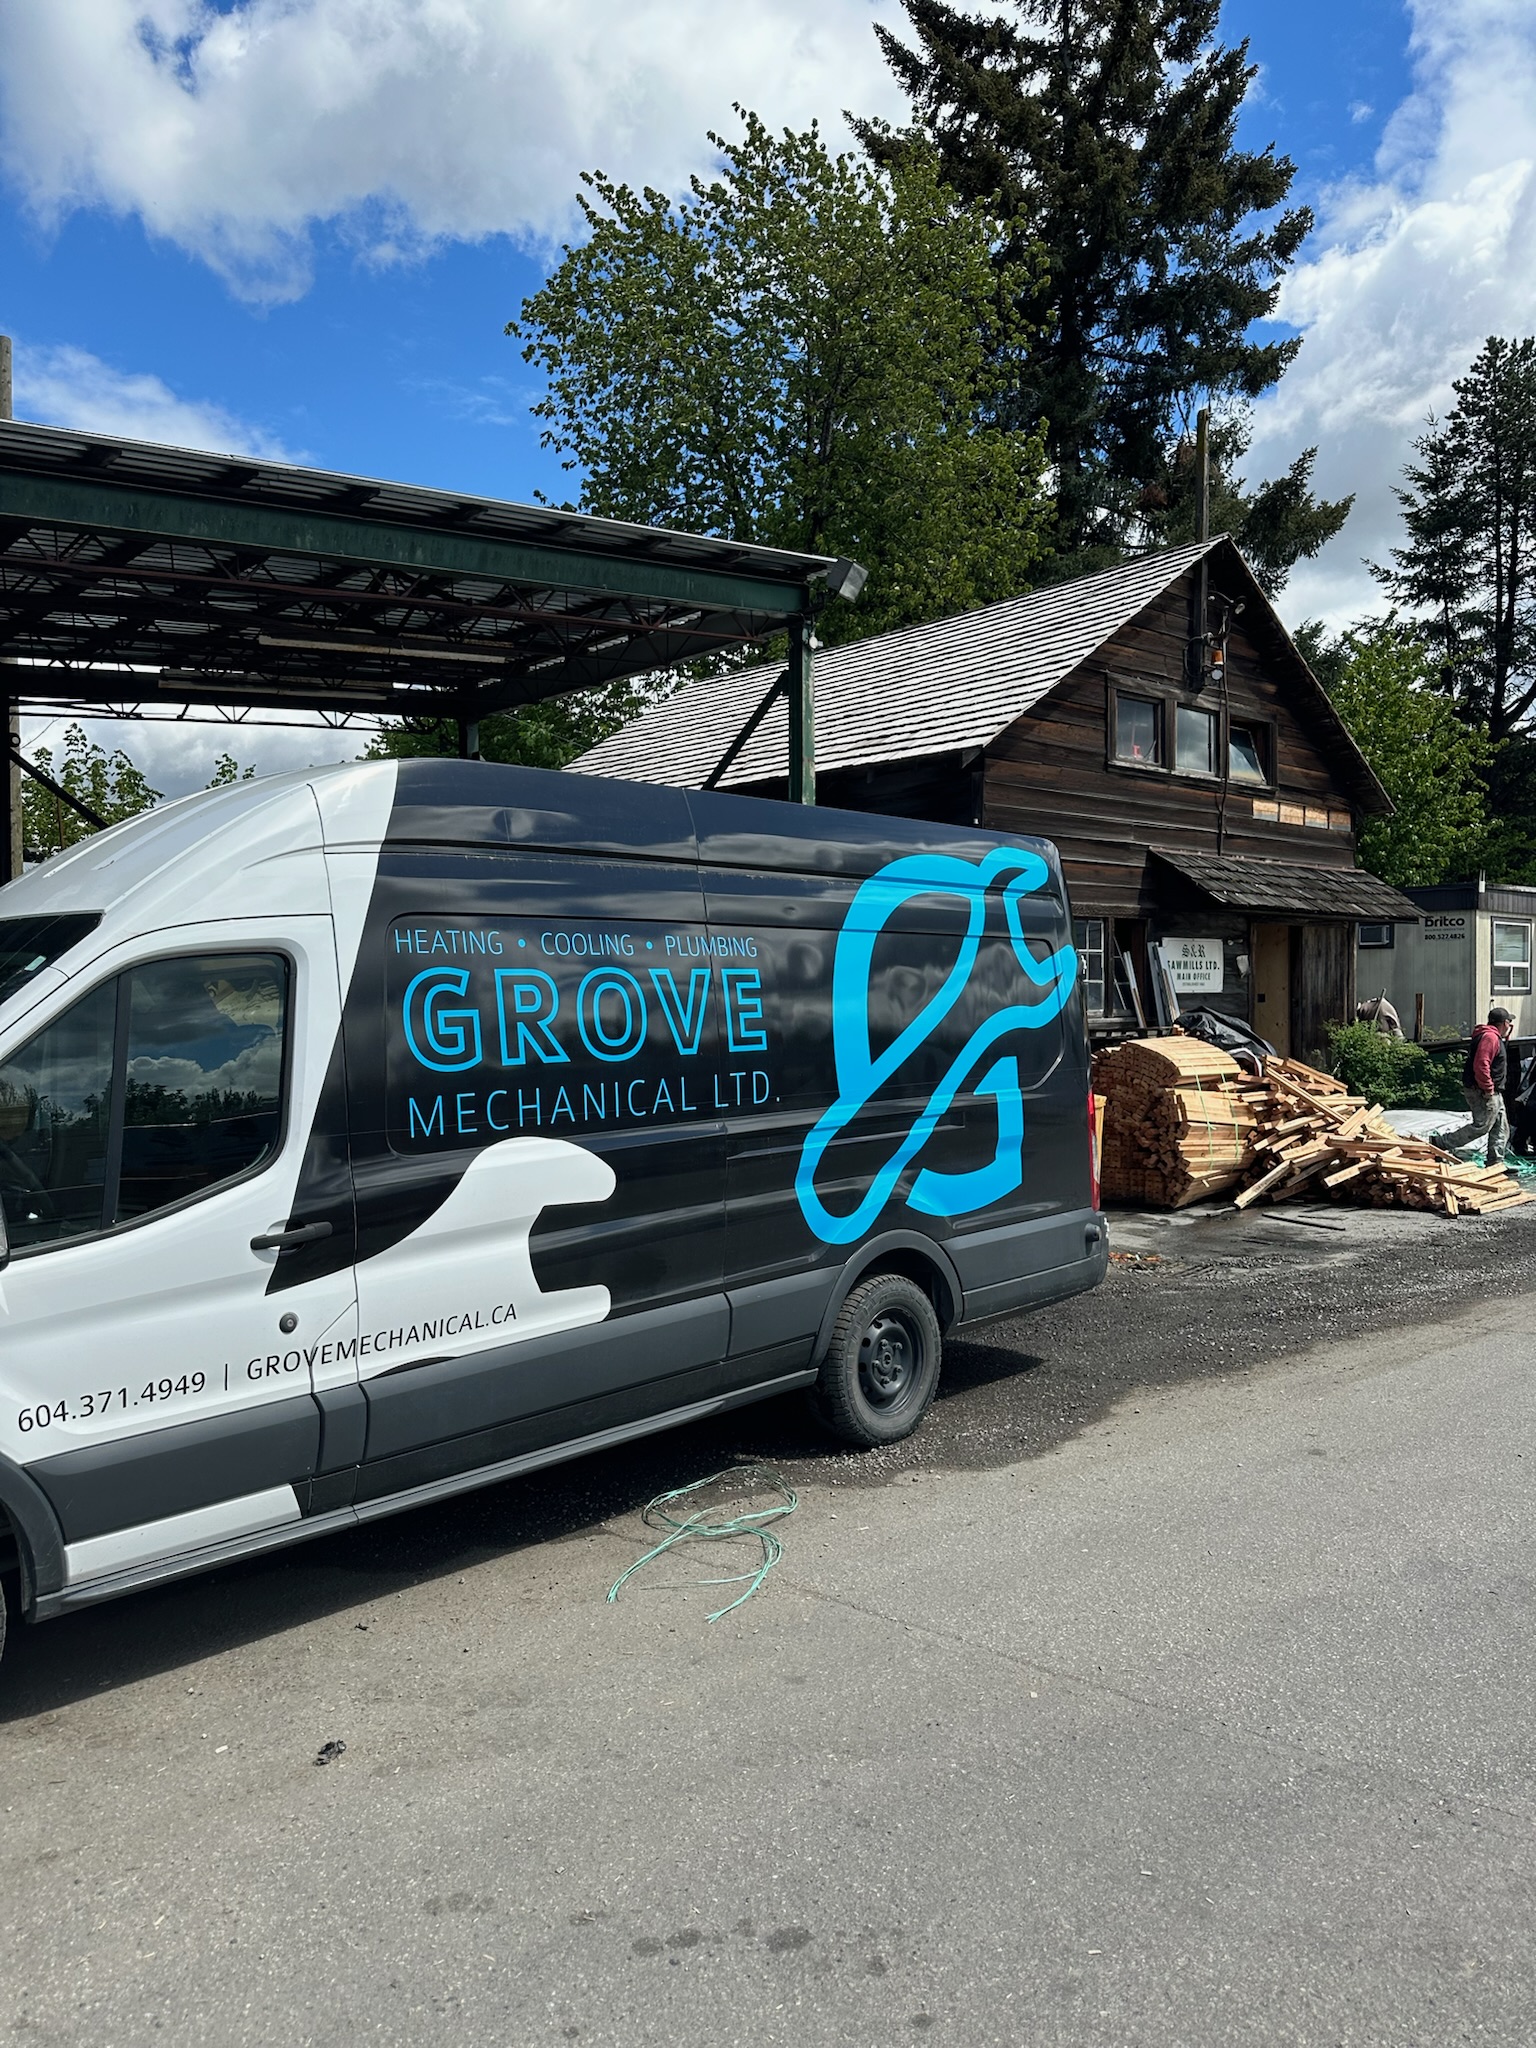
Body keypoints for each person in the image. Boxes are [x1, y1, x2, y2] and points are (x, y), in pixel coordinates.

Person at [1437, 1006, 1517, 1166]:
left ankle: (1495, 1163)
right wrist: (1487, 1088)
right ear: (1504, 1023)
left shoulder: (1491, 1036)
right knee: (1481, 1126)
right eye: (1509, 1022)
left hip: (1492, 1091)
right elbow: (1481, 1064)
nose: (1509, 1027)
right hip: (1482, 1090)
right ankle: (1440, 1143)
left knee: (1500, 1126)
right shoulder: (1490, 1037)